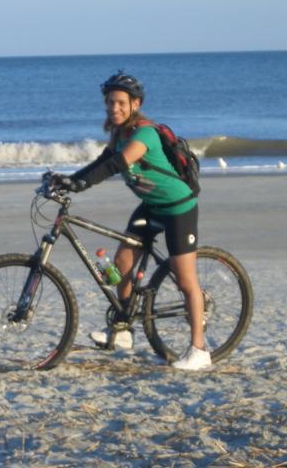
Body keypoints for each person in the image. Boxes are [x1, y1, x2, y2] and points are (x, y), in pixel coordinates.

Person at [51, 71, 210, 371]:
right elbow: (101, 162)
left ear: (135, 104)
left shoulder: (144, 134)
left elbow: (116, 164)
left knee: (186, 280)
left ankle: (199, 350)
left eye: (121, 103)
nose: (115, 108)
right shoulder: (118, 133)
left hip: (178, 207)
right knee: (123, 262)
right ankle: (123, 330)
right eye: (110, 102)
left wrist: (81, 186)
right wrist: (68, 180)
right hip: (151, 206)